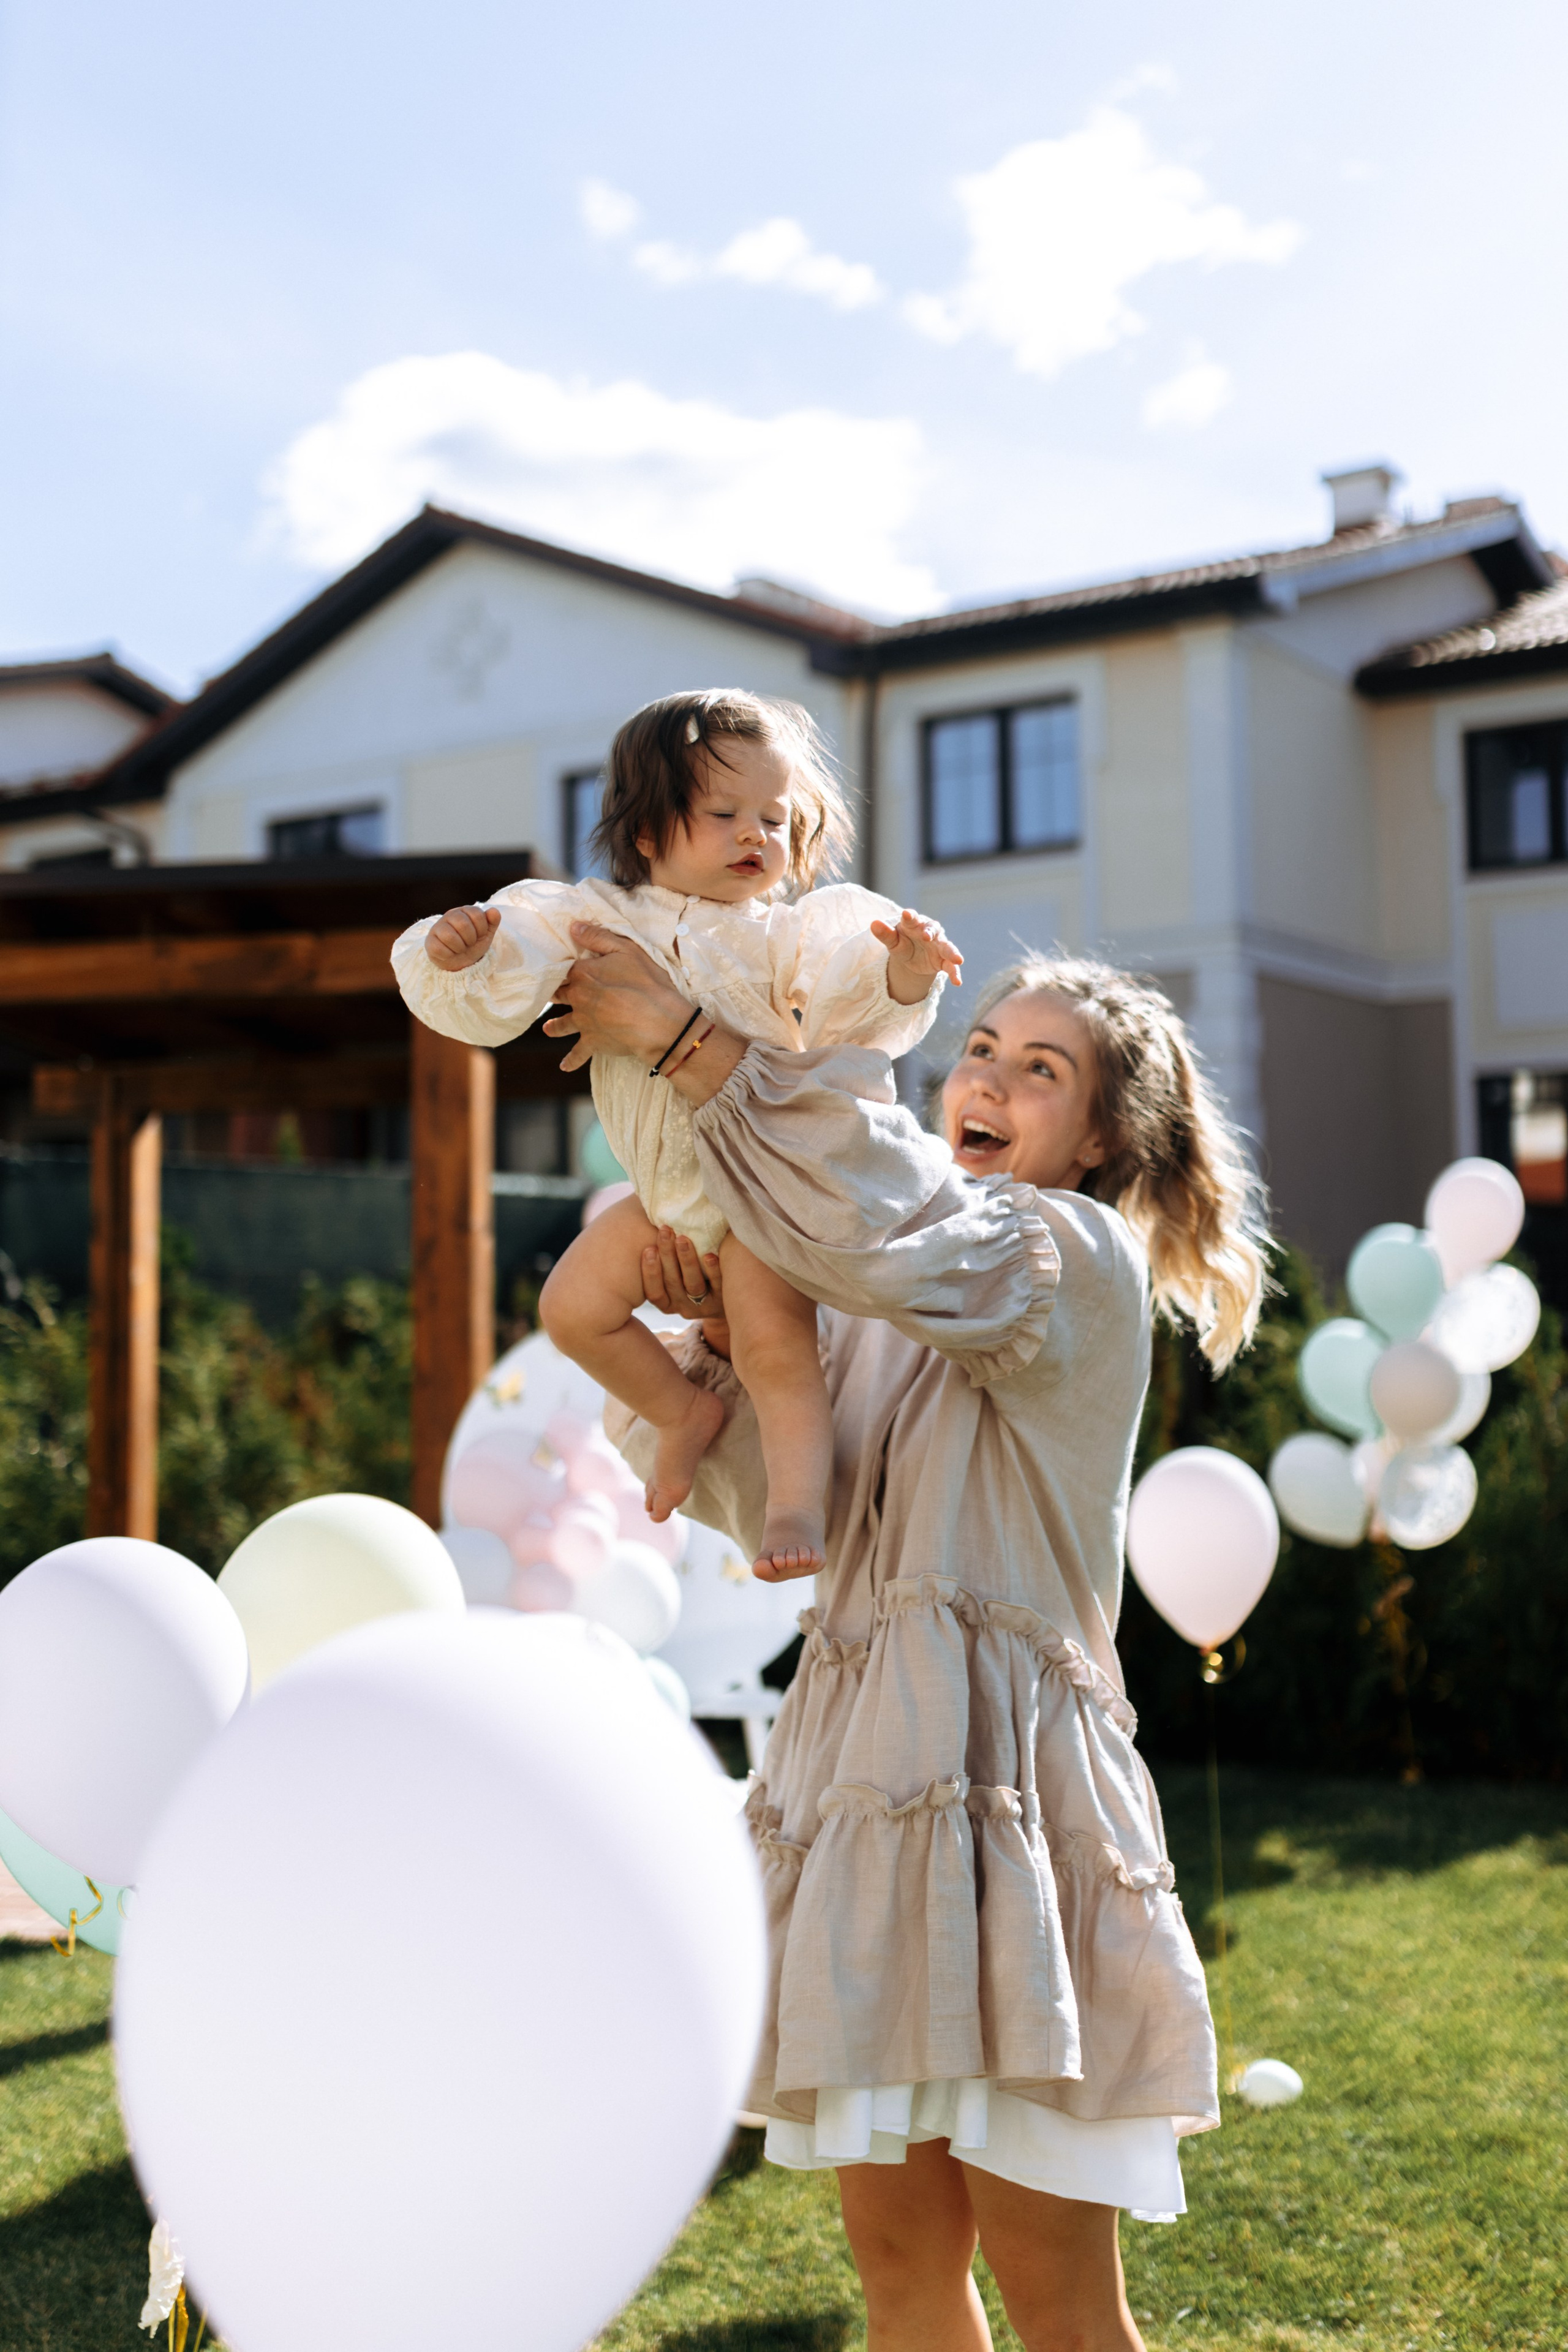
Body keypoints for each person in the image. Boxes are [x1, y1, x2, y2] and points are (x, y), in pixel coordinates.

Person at [540, 924, 1269, 2352]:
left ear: (1103, 1135)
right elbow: (762, 1488)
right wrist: (714, 1315)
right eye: (980, 1052)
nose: (985, 1081)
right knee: (896, 2264)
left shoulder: (1069, 1260)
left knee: (1055, 2290)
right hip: (861, 1796)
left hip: (1009, 1806)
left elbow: (886, 1224)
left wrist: (702, 1048)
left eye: (1039, 1071)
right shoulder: (875, 1303)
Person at [392, 688, 960, 1580]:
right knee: (571, 1310)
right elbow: (520, 954)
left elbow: (850, 998)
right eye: (725, 813)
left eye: (775, 819)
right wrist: (468, 950)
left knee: (777, 1352)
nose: (755, 837)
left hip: (756, 1202)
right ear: (649, 832)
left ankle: (795, 1504)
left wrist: (897, 967)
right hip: (662, 1201)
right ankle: (681, 1413)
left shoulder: (781, 940)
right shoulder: (598, 921)